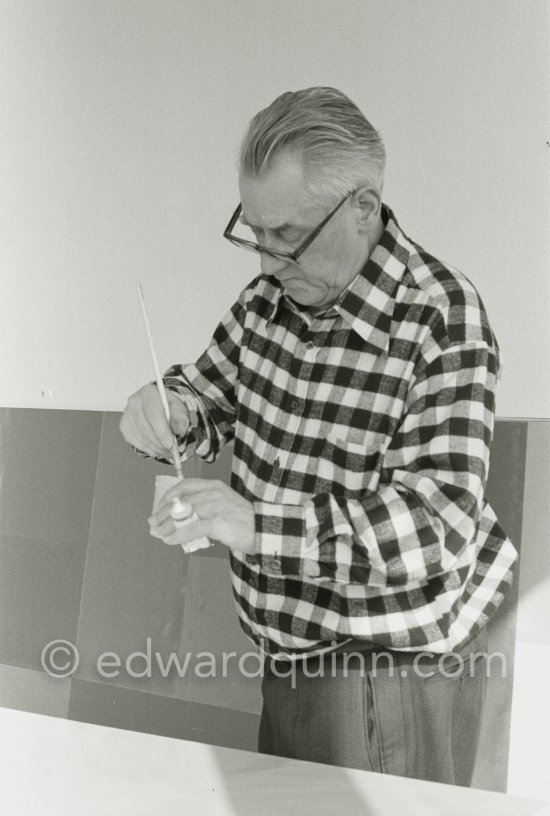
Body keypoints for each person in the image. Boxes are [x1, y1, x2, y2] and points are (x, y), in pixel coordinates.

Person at [120, 86, 518, 786]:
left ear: (363, 208)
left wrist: (258, 527)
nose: (268, 262)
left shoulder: (440, 316)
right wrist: (168, 408)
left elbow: (437, 524)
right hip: (290, 655)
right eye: (254, 231)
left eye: (288, 235)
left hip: (386, 669)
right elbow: (208, 394)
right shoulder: (269, 299)